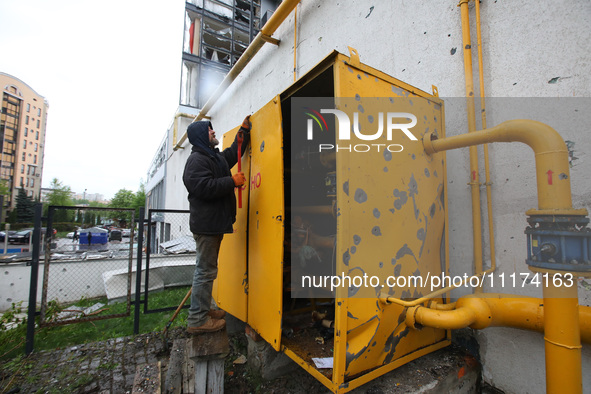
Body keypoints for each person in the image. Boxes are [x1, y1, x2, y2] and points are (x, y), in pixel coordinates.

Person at [182, 116, 251, 334]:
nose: (213, 132)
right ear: (201, 136)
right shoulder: (196, 161)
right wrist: (232, 181)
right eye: (210, 131)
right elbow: (203, 187)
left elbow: (232, 154)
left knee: (207, 270)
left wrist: (244, 132)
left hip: (212, 225)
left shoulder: (212, 157)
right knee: (205, 271)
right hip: (206, 227)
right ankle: (197, 320)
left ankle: (202, 312)